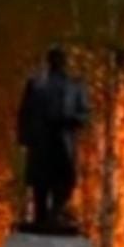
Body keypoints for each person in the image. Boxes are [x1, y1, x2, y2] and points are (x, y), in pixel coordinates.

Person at [17, 47, 90, 231]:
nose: (58, 63)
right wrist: (24, 136)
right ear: (49, 61)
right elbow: (24, 112)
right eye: (54, 59)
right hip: (41, 140)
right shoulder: (36, 84)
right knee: (39, 181)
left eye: (61, 59)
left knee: (65, 180)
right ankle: (40, 217)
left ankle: (55, 213)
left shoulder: (75, 85)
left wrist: (70, 120)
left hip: (63, 140)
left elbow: (84, 113)